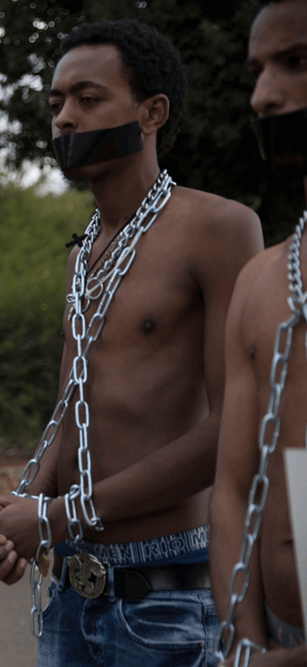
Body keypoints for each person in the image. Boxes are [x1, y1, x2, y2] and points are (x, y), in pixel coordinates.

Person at [0, 19, 263, 667]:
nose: (65, 118)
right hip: (72, 589)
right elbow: (70, 411)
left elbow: (236, 425)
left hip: (168, 594)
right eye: (56, 103)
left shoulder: (219, 228)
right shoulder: (85, 253)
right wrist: (23, 508)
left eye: (88, 99)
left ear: (152, 113)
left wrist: (56, 516)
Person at [209, 1, 307, 665]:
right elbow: (234, 487)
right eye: (259, 70)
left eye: (295, 62)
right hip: (272, 633)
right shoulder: (262, 280)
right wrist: (246, 644)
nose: (263, 96)